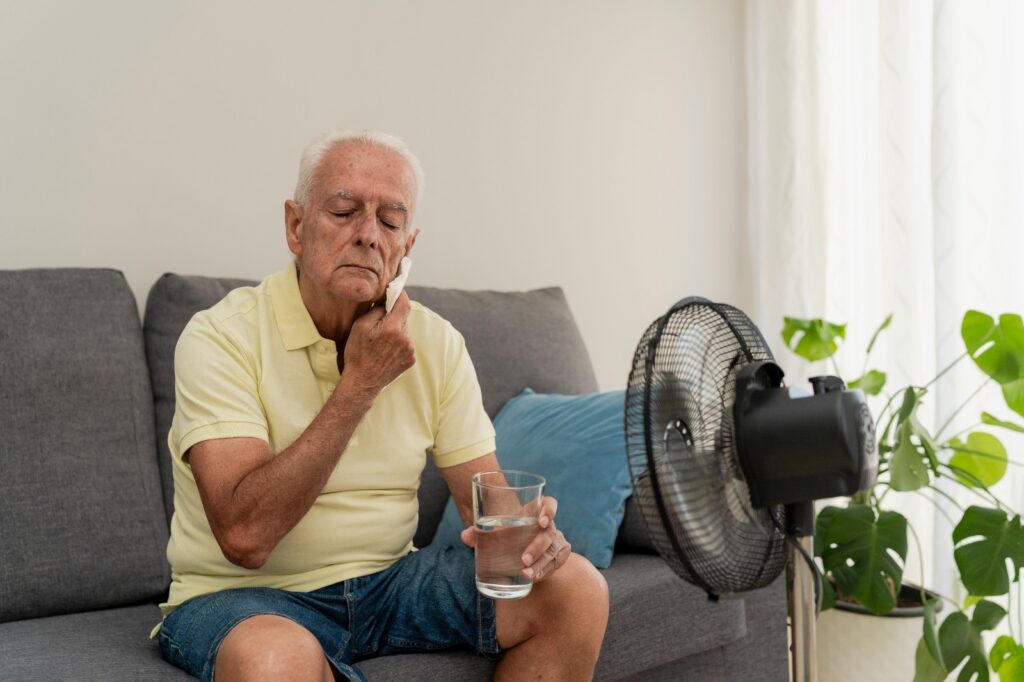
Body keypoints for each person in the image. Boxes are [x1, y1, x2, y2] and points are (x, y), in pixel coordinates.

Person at [154, 129, 610, 681]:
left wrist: (530, 539)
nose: (368, 235)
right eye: (344, 211)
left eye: (390, 222)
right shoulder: (219, 337)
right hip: (246, 597)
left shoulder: (436, 343)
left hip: (390, 583)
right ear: (295, 227)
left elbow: (485, 506)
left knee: (577, 588)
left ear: (406, 248)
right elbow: (245, 538)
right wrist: (359, 386)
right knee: (274, 660)